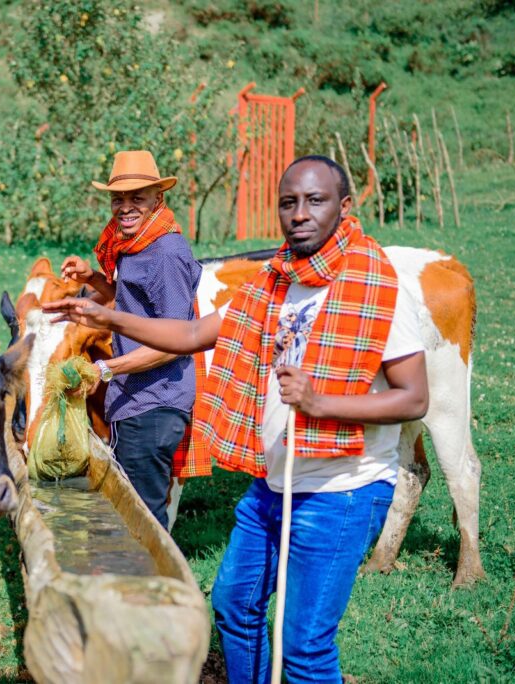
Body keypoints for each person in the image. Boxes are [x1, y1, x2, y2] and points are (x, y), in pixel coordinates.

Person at [43, 155, 429, 683]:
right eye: (288, 202)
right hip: (272, 485)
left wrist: (322, 403)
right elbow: (190, 335)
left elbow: (414, 399)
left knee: (305, 650)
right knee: (234, 609)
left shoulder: (378, 289)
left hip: (343, 489)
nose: (299, 214)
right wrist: (105, 315)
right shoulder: (274, 284)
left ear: (344, 207)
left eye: (314, 201)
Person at [59, 150, 202, 529]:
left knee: (142, 515)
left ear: (158, 197)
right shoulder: (134, 243)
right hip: (134, 397)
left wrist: (107, 368)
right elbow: (128, 301)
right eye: (118, 198)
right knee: (131, 504)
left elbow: (177, 340)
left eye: (137, 197)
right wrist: (92, 277)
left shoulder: (166, 253)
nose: (125, 207)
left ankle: (158, 584)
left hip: (155, 401)